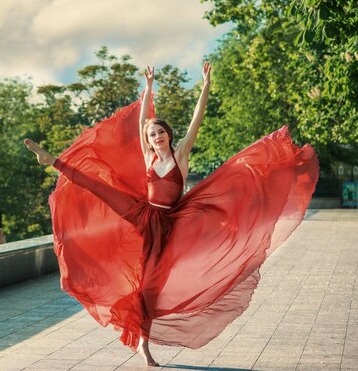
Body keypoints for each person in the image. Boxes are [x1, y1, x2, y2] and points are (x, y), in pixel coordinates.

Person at [24, 63, 319, 367]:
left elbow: (197, 119)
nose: (156, 136)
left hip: (169, 223)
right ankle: (52, 160)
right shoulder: (148, 155)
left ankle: (142, 341)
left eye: (160, 132)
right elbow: (142, 120)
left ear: (168, 134)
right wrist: (148, 90)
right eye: (152, 134)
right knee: (100, 188)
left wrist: (205, 85)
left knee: (150, 287)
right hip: (142, 213)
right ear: (148, 139)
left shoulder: (181, 155)